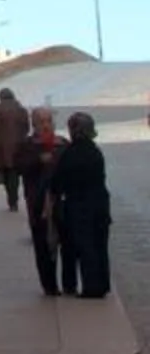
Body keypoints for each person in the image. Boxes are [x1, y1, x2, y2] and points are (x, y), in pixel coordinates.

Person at [51, 112, 113, 301]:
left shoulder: (70, 154)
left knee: (86, 246)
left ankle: (91, 287)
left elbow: (58, 182)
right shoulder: (95, 152)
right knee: (100, 244)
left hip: (79, 206)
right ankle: (102, 283)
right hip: (100, 204)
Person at [14, 106, 65, 296]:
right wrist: (38, 161)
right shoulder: (27, 145)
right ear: (33, 124)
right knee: (42, 242)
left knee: (65, 241)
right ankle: (49, 285)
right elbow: (19, 166)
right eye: (41, 121)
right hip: (37, 201)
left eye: (48, 121)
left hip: (60, 200)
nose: (45, 125)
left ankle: (68, 283)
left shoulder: (62, 143)